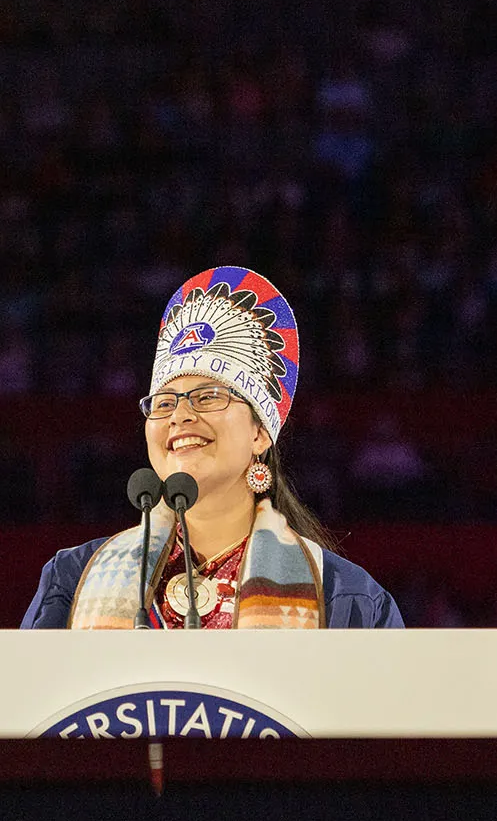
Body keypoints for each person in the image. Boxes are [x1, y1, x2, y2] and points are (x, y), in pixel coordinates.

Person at [21, 267, 402, 629]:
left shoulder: (343, 596)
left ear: (260, 434)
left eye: (208, 397)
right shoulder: (73, 581)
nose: (180, 415)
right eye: (164, 402)